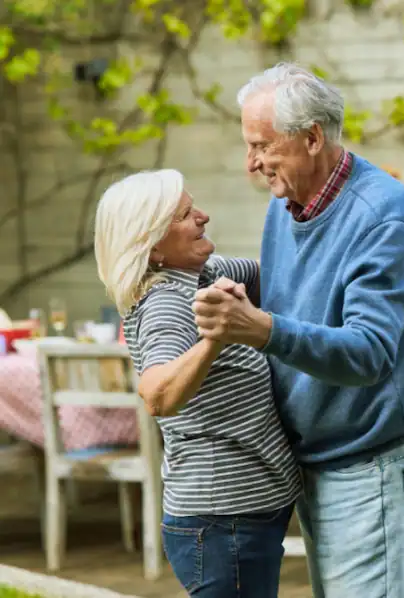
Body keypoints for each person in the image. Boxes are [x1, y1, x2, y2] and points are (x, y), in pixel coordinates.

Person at [191, 63, 404, 598]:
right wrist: (195, 274)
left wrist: (261, 329)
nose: (251, 163)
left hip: (374, 463)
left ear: (311, 138)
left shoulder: (383, 216)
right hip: (320, 459)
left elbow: (368, 352)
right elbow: (291, 286)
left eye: (262, 145)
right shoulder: (287, 203)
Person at [94, 169, 301, 598]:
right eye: (186, 214)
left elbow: (287, 273)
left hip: (245, 513)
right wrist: (216, 340)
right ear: (151, 246)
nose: (203, 216)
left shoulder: (206, 274)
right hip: (222, 522)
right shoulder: (167, 301)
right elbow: (158, 394)